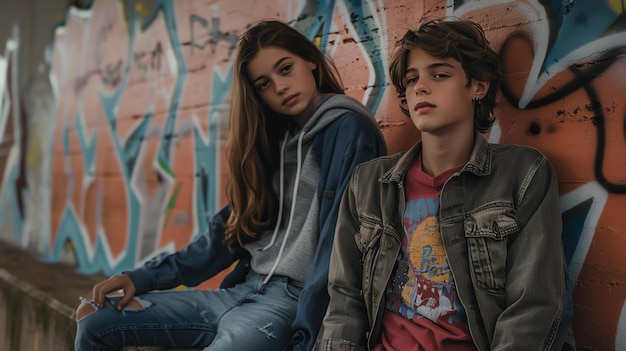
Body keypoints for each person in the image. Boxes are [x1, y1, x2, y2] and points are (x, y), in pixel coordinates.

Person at [74, 19, 386, 351]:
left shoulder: (349, 130)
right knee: (96, 319)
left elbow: (342, 246)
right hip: (242, 291)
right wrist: (143, 277)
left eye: (285, 68)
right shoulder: (275, 139)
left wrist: (314, 330)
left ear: (310, 60)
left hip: (289, 304)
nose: (280, 87)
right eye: (264, 83)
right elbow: (230, 231)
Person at [315, 18, 575, 351]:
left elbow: (534, 306)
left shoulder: (522, 174)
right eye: (411, 79)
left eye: (439, 74)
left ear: (478, 86)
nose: (420, 87)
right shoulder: (368, 183)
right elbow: (344, 300)